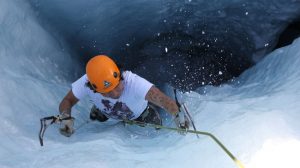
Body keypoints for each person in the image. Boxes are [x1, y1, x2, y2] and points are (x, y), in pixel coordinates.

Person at [58, 55, 189, 137]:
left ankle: (102, 109)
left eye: (116, 86)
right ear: (93, 88)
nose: (115, 94)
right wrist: (65, 118)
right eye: (107, 92)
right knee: (98, 116)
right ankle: (100, 110)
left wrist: (178, 115)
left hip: (140, 114)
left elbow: (164, 100)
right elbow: (67, 100)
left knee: (157, 127)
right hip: (107, 111)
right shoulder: (87, 81)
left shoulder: (134, 83)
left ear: (120, 76)